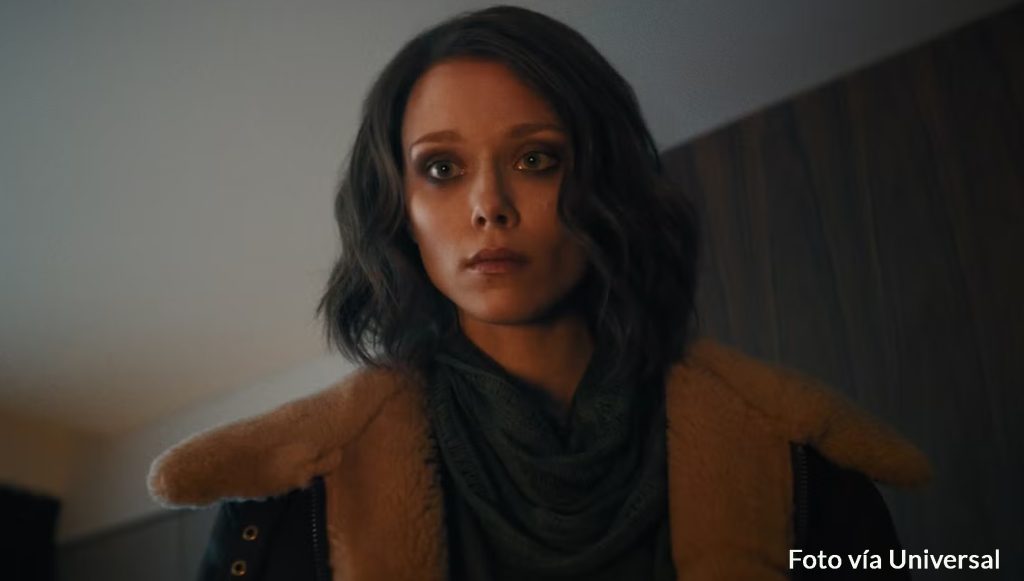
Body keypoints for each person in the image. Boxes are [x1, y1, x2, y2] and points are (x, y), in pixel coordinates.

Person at [147, 6, 931, 580]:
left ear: (607, 183)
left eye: (536, 159)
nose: (489, 204)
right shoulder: (292, 499)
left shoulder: (800, 467)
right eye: (442, 168)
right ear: (399, 211)